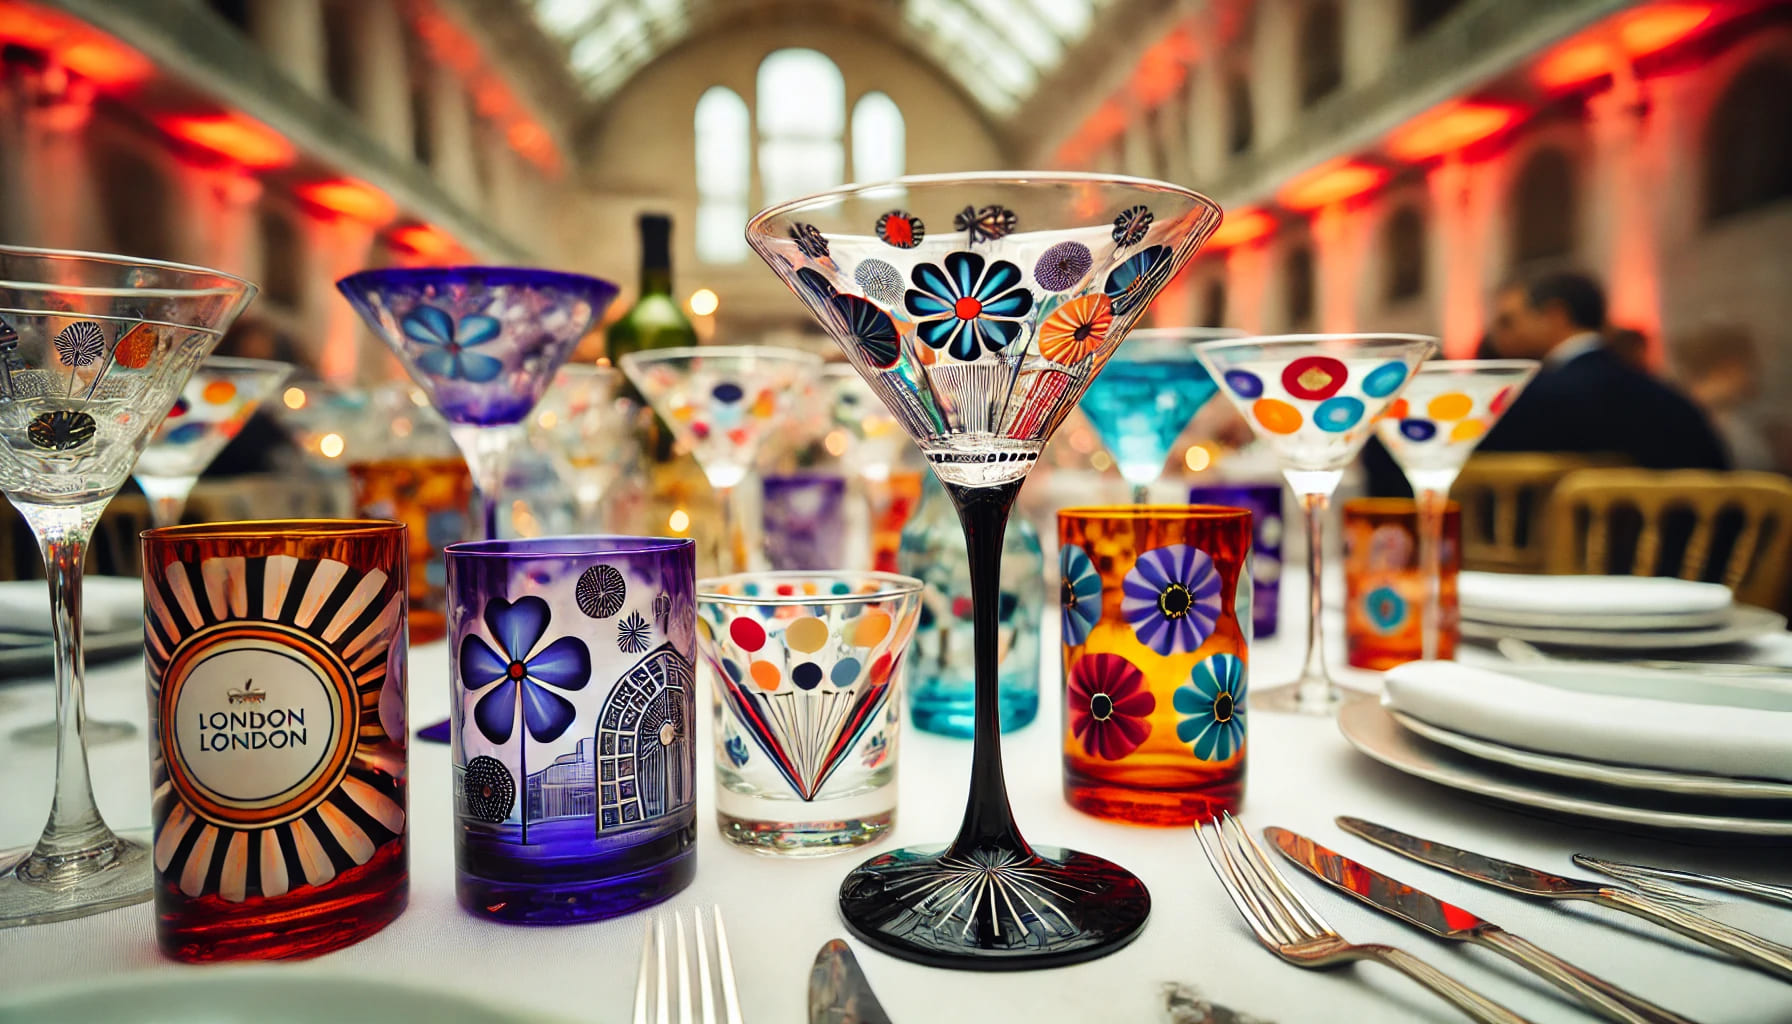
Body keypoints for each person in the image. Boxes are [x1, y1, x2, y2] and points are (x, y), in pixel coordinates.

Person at [1476, 271, 1729, 470]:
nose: (1499, 336)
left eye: (1511, 321)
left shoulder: (1539, 396)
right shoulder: (1661, 392)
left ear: (1555, 315)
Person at [1671, 323, 1785, 473]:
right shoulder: (1704, 416)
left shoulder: (1732, 413)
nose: (1753, 376)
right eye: (1749, 366)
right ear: (1730, 367)